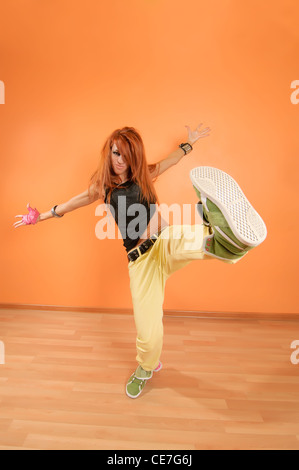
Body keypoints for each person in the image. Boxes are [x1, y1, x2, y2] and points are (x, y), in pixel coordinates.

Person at [14, 124, 267, 399]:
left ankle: (229, 237)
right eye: (116, 153)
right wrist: (41, 216)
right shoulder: (102, 188)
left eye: (126, 155)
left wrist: (189, 143)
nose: (120, 160)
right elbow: (71, 203)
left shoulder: (145, 174)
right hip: (141, 262)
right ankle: (146, 367)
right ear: (109, 153)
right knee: (148, 332)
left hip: (164, 242)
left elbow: (171, 160)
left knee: (189, 238)